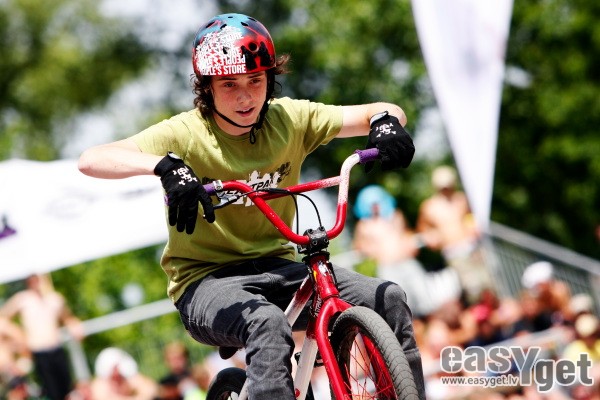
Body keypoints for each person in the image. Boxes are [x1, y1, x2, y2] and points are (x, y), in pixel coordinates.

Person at [78, 13, 424, 399]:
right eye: (229, 84)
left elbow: (384, 109)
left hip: (280, 267)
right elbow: (91, 159)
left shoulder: (290, 119)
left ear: (269, 80)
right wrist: (165, 166)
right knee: (267, 323)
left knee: (388, 298)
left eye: (255, 81)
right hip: (206, 282)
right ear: (207, 87)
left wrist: (385, 121)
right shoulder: (186, 133)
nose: (245, 97)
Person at [352, 184, 447, 317]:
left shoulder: (395, 215)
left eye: (378, 202)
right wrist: (371, 250)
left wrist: (411, 242)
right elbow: (359, 247)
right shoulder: (364, 225)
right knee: (403, 307)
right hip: (388, 268)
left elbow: (407, 233)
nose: (375, 206)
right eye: (372, 204)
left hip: (407, 262)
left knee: (426, 301)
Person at [0, 273, 84, 400]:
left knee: (68, 390)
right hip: (38, 352)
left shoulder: (54, 299)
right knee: (52, 392)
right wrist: (18, 338)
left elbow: (68, 318)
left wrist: (75, 327)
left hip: (56, 349)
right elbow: (3, 319)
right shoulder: (23, 299)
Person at [416, 165, 492, 303]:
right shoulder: (429, 206)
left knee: (488, 284)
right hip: (453, 252)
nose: (446, 189)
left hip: (472, 247)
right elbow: (423, 230)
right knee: (472, 289)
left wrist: (473, 226)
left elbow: (470, 217)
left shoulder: (461, 199)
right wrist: (431, 239)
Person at [90, 347, 157, 400]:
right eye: (115, 368)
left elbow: (151, 389)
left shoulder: (127, 377)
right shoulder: (100, 384)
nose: (117, 372)